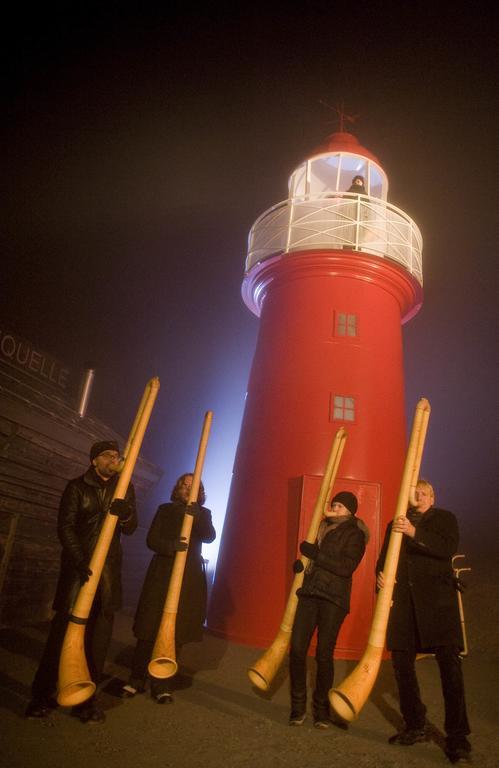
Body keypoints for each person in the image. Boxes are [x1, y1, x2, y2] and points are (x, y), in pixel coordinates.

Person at [25, 440, 137, 723]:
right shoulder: (76, 487)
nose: (115, 459)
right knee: (60, 637)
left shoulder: (124, 488)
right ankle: (41, 696)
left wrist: (126, 515)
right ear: (94, 461)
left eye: (117, 455)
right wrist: (80, 561)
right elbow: (65, 527)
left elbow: (132, 528)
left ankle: (85, 701)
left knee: (97, 641)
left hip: (108, 575)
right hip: (79, 572)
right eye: (109, 455)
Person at [376, 479, 471, 764]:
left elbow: (446, 547)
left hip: (438, 607)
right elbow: (384, 559)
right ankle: (415, 725)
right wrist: (379, 576)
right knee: (402, 667)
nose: (419, 496)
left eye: (424, 493)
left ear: (432, 497)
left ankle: (458, 738)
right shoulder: (397, 523)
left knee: (450, 672)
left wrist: (414, 532)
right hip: (405, 607)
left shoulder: (444, 518)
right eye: (414, 492)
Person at [121, 472, 216, 703]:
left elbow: (210, 537)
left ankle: (162, 684)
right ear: (178, 488)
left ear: (200, 491)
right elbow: (151, 540)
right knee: (149, 628)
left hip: (188, 578)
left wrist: (198, 518)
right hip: (162, 574)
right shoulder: (166, 510)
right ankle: (136, 678)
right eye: (185, 484)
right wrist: (171, 546)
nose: (188, 489)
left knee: (176, 633)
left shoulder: (204, 513)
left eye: (194, 486)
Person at [289, 491, 368, 728]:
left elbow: (346, 567)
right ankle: (297, 707)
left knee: (324, 653)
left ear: (351, 511)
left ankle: (321, 711)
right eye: (334, 504)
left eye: (341, 506)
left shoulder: (355, 533)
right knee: (297, 649)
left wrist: (316, 555)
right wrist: (302, 564)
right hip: (311, 592)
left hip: (334, 598)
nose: (335, 508)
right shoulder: (321, 527)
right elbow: (313, 561)